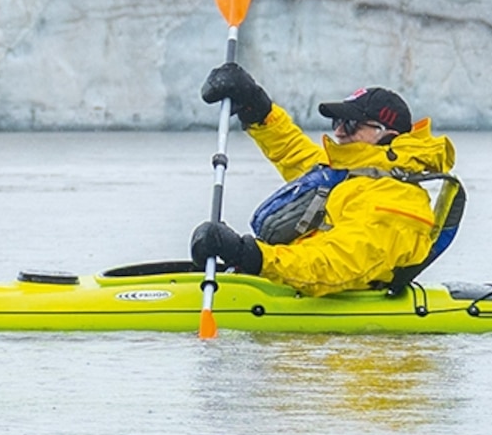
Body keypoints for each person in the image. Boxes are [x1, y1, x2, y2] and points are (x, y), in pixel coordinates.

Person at [186, 65, 460, 296]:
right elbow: (293, 152)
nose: (339, 131)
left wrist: (251, 255)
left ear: (385, 133)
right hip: (292, 286)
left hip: (341, 320)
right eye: (337, 122)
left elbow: (336, 264)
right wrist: (256, 107)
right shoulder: (353, 173)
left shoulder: (395, 199)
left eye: (350, 124)